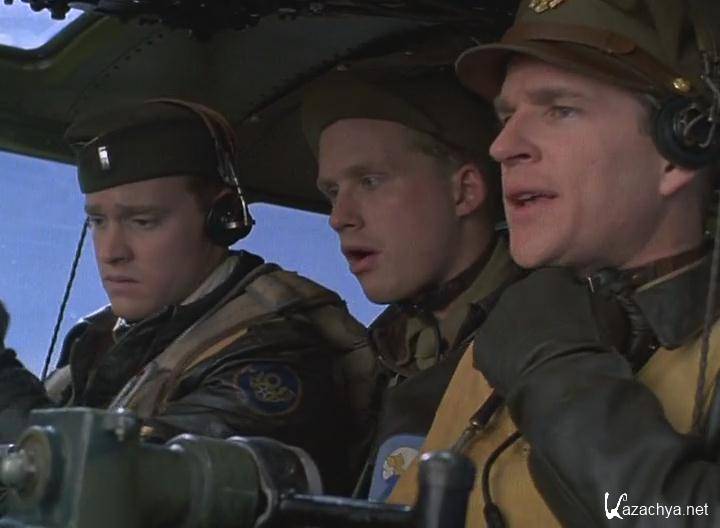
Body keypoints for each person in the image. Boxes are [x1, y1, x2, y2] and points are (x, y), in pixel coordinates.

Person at [389, 0, 720, 526]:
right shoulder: (506, 336)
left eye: (559, 110)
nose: (502, 147)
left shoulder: (532, 343)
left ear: (680, 146)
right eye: (505, 117)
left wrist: (553, 371)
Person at [0, 99, 367, 494]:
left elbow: (118, 490)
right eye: (97, 221)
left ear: (222, 218)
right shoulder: (103, 338)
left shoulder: (275, 353)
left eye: (143, 221)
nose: (111, 251)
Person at [301, 51, 521, 500]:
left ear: (464, 191)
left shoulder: (552, 330)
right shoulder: (374, 360)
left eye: (370, 181)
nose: (339, 217)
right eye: (332, 192)